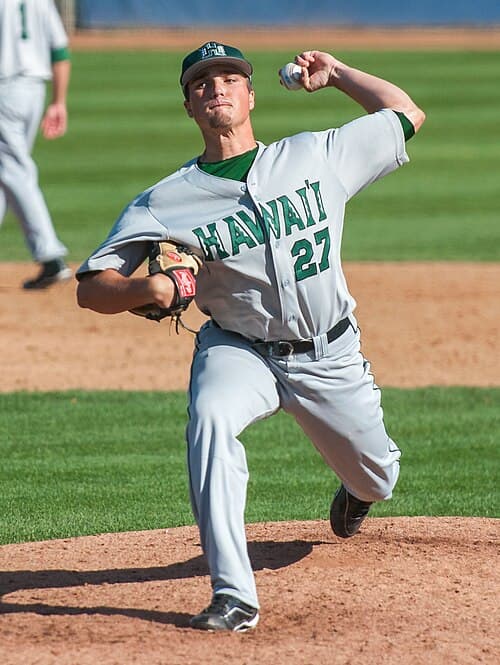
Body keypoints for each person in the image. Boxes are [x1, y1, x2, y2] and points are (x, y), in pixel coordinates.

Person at [76, 41, 425, 632]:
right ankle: (234, 594)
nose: (217, 88)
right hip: (239, 349)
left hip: (330, 351)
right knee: (209, 418)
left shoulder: (316, 154)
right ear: (189, 106)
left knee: (377, 476)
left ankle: (358, 491)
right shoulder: (165, 200)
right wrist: (147, 291)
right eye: (202, 83)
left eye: (229, 78)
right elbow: (92, 286)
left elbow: (405, 114)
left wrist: (337, 74)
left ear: (250, 94)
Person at [0, 0, 72, 289]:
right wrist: (59, 101)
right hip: (33, 90)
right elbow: (60, 50)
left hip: (4, 89)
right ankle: (49, 256)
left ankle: (50, 255)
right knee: (5, 171)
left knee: (14, 170)